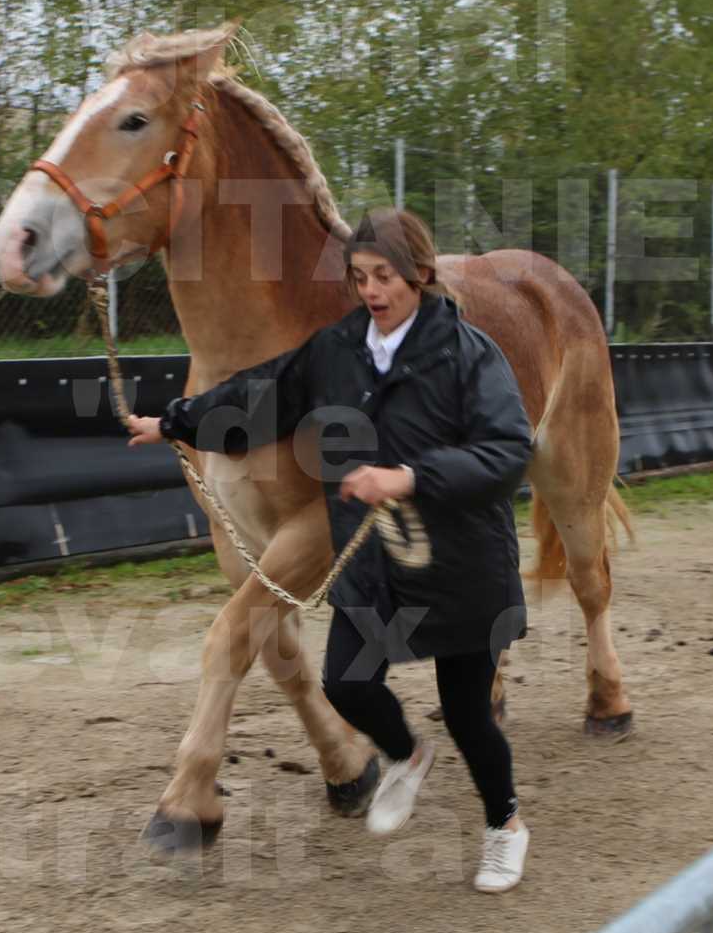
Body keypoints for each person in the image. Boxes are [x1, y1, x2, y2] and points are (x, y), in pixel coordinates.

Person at [126, 208, 533, 893]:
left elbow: (507, 453)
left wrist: (408, 478)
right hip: (375, 561)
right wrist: (173, 420)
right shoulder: (338, 347)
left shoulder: (470, 353)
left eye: (386, 278)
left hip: (462, 558)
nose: (371, 292)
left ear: (421, 277)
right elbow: (267, 395)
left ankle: (504, 826)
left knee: (468, 714)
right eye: (360, 278)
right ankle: (405, 754)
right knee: (347, 683)